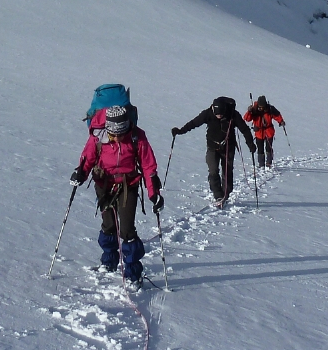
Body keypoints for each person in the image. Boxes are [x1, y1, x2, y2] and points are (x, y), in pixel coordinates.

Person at [71, 105, 161, 284]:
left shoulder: (137, 137)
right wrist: (80, 174)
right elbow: (87, 159)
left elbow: (148, 166)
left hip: (129, 186)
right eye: (114, 135)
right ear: (108, 129)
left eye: (122, 134)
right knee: (109, 225)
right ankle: (109, 261)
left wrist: (154, 193)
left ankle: (133, 274)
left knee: (127, 230)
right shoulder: (97, 137)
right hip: (104, 185)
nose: (118, 138)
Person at [172, 96, 256, 206]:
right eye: (217, 114)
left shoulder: (233, 114)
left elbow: (244, 129)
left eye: (221, 114)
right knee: (213, 170)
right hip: (212, 147)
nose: (219, 116)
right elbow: (194, 123)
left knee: (227, 171)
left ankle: (226, 193)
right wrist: (180, 131)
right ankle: (218, 195)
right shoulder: (207, 113)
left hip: (228, 147)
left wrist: (251, 144)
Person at [243, 96, 285, 169]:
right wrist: (249, 111)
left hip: (269, 131)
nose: (261, 108)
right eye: (260, 106)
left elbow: (277, 115)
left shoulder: (270, 109)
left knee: (269, 148)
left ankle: (269, 162)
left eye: (262, 107)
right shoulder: (254, 110)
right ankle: (261, 164)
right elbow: (247, 119)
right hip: (259, 132)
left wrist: (281, 121)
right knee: (260, 148)